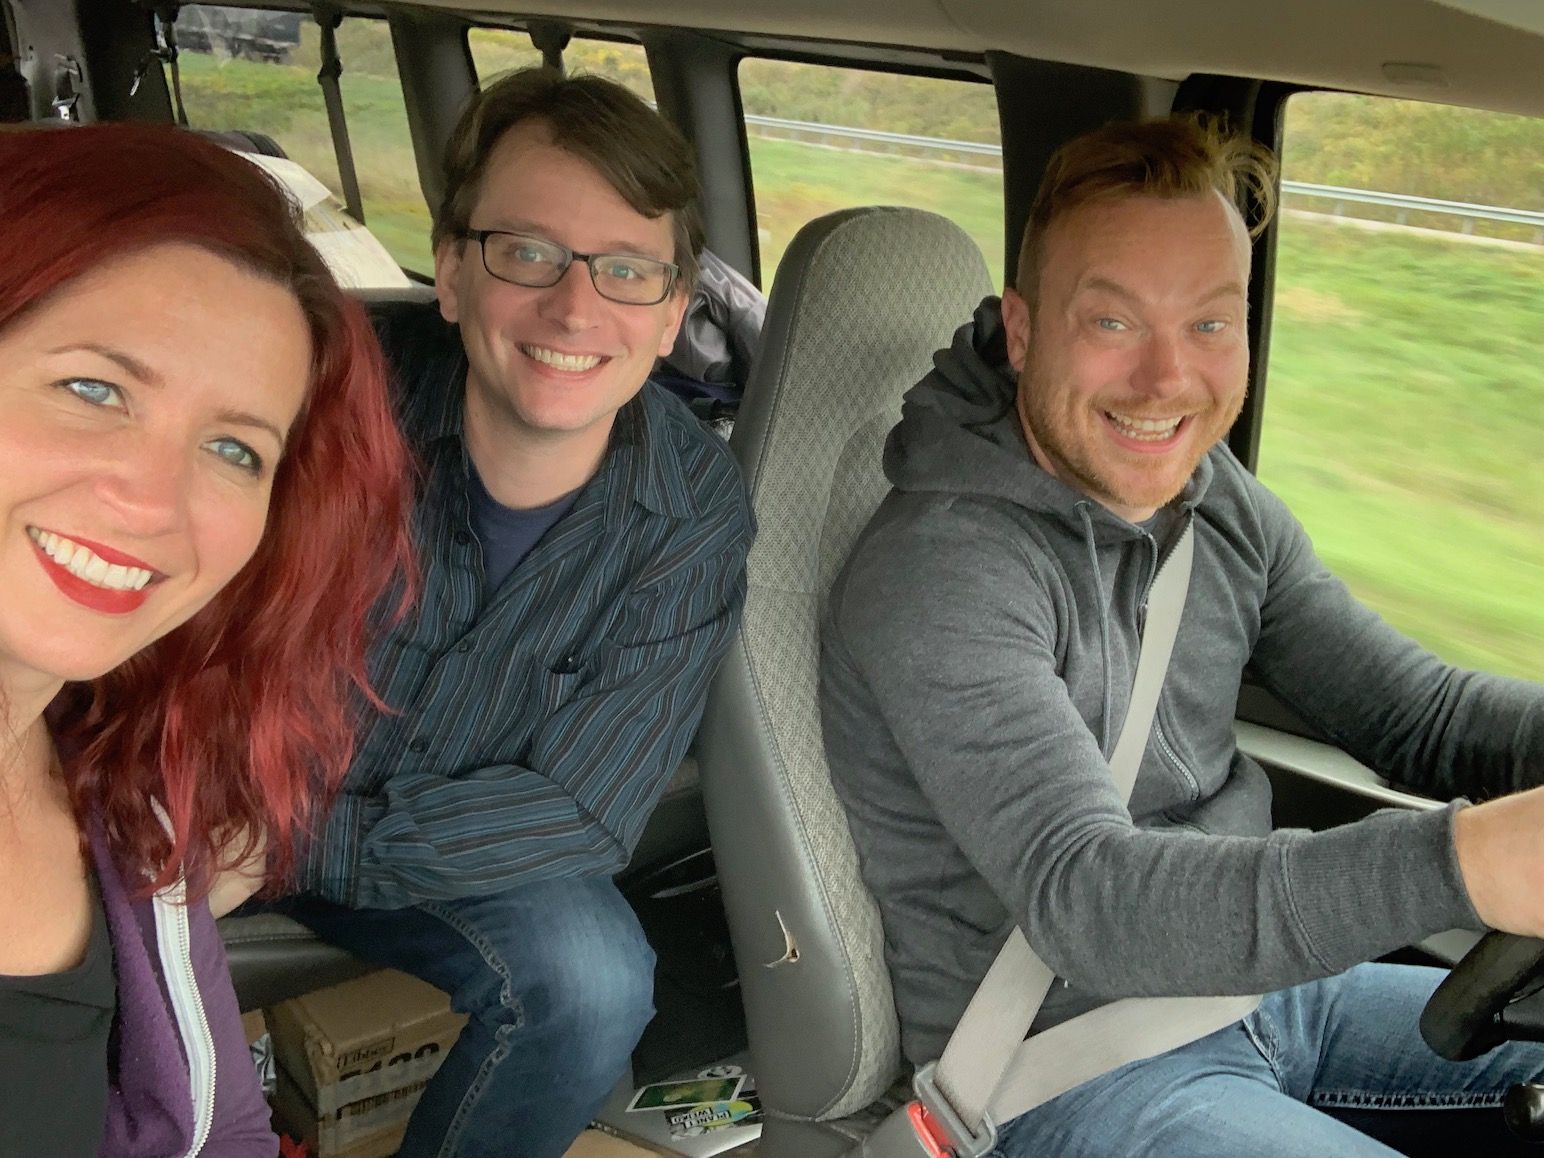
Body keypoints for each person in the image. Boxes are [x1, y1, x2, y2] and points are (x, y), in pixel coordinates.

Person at [820, 114, 1544, 1156]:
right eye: (1112, 323)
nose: (1167, 381)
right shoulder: (939, 570)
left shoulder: (1216, 505)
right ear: (1021, 332)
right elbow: (1090, 900)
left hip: (1260, 998)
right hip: (1059, 1067)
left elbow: (1416, 717)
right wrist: (1464, 863)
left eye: (1208, 324)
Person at [272, 67, 754, 1158]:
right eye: (527, 252)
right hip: (214, 796)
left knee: (592, 984)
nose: (574, 307)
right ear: (449, 271)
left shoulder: (692, 513)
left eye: (626, 270)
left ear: (673, 313)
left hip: (409, 850)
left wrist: (304, 839)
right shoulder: (320, 400)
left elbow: (584, 809)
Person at [0, 123, 414, 1156]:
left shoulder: (123, 785)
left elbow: (217, 1120)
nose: (153, 504)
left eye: (233, 448)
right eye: (95, 388)